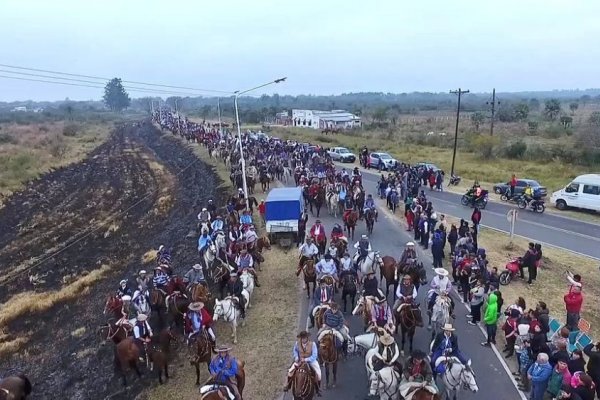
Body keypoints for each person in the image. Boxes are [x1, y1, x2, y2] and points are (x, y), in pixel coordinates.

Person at [284, 331, 321, 395]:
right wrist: (296, 357)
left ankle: (317, 389)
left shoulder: (313, 344)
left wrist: (306, 359)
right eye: (302, 338)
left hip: (310, 361)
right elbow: (295, 351)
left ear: (307, 338)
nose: (303, 339)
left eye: (305, 338)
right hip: (300, 360)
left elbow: (314, 355)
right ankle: (288, 386)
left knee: (319, 374)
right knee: (290, 372)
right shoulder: (297, 344)